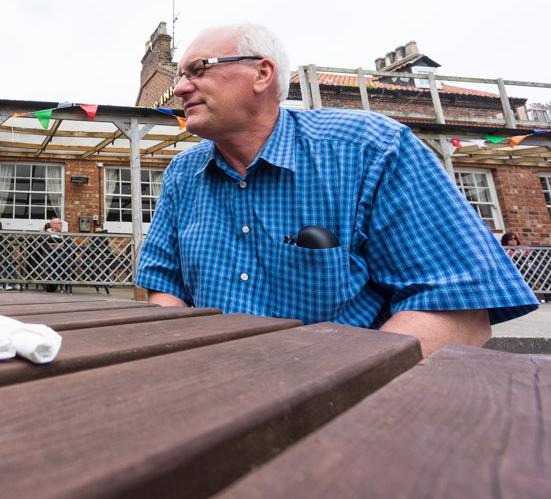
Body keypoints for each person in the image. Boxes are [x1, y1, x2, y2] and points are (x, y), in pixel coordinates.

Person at [136, 23, 538, 356]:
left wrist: (333, 388)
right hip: (210, 387)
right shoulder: (181, 174)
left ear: (262, 73)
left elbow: (459, 309)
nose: (181, 88)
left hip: (351, 402)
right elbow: (163, 285)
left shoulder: (372, 150)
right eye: (181, 76)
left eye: (198, 69)